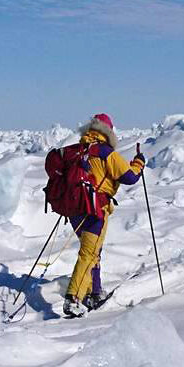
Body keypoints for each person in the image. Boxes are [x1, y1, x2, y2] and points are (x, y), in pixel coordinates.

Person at [63, 113, 145, 318]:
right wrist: (139, 163)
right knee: (89, 254)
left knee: (93, 251)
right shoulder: (106, 152)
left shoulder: (78, 150)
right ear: (108, 131)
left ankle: (95, 292)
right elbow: (130, 177)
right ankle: (73, 299)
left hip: (75, 209)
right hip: (95, 209)